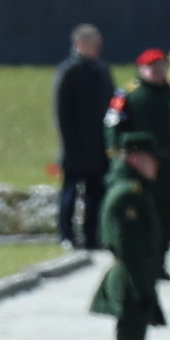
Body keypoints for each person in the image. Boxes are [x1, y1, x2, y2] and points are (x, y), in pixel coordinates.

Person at [99, 138, 170, 340]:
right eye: (150, 158)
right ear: (134, 159)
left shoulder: (135, 190)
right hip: (131, 279)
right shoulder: (128, 195)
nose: (155, 165)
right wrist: (141, 287)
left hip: (137, 276)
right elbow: (128, 246)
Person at [50, 23, 111, 249]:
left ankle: (91, 235)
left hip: (98, 145)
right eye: (92, 43)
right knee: (70, 192)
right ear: (79, 44)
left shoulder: (102, 71)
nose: (97, 48)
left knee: (96, 194)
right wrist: (69, 144)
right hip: (75, 146)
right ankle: (66, 234)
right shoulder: (69, 72)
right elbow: (62, 112)